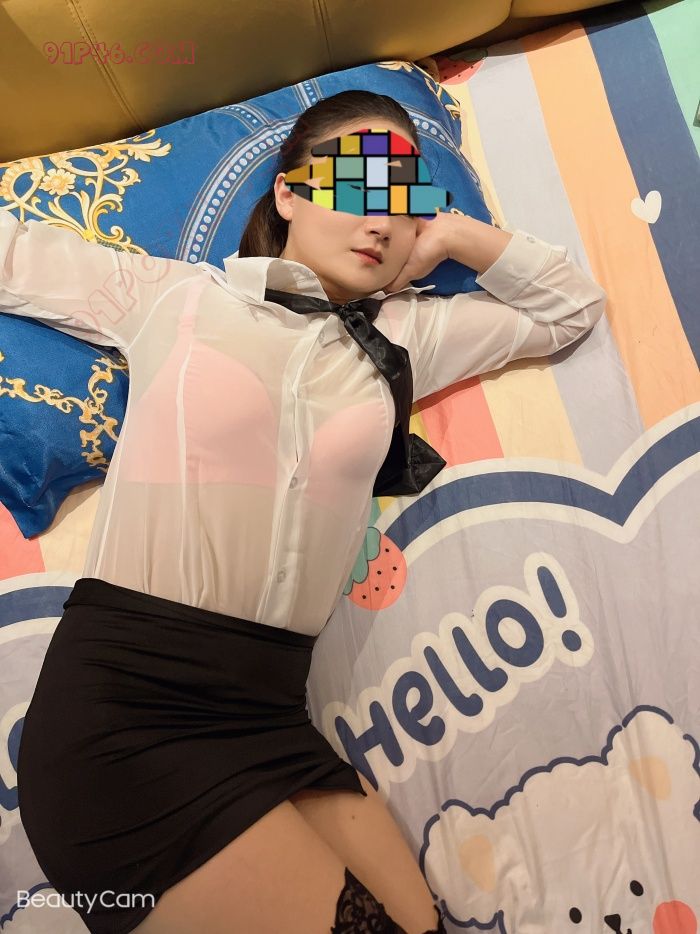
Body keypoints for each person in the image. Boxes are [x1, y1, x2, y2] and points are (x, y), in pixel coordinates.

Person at [5, 90, 607, 934]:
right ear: (288, 192)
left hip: (269, 714)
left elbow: (570, 308)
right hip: (122, 717)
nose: (383, 218)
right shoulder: (178, 301)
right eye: (361, 184)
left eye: (405, 196)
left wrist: (452, 235)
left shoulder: (404, 340)